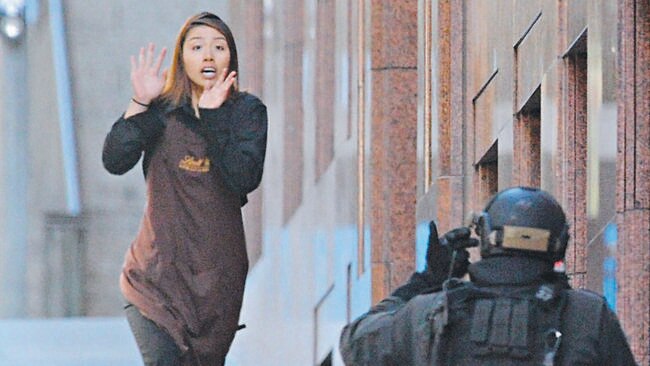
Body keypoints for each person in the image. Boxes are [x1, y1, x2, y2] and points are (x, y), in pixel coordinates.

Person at [102, 12, 267, 366]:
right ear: (182, 59)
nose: (208, 55)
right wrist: (140, 103)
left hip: (216, 286)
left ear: (230, 59)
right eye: (197, 47)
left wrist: (213, 118)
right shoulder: (162, 112)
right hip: (154, 280)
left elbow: (244, 178)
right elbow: (115, 160)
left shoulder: (247, 113)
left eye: (218, 47)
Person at [340, 187, 638, 365]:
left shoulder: (430, 311)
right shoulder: (588, 315)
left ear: (484, 237)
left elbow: (355, 343)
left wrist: (430, 278)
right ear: (559, 244)